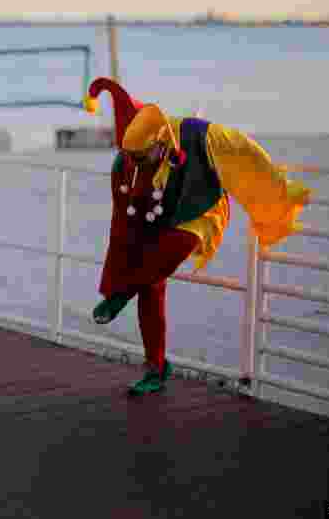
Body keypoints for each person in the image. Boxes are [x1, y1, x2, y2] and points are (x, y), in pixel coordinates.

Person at [85, 77, 311, 395]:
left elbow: (245, 153)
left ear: (162, 143)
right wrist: (116, 273)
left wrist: (279, 190)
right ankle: (156, 368)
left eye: (140, 157)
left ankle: (123, 295)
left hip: (199, 211)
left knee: (172, 249)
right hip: (155, 216)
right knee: (150, 286)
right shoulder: (125, 163)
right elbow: (121, 224)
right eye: (129, 157)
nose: (133, 163)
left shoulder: (198, 135)